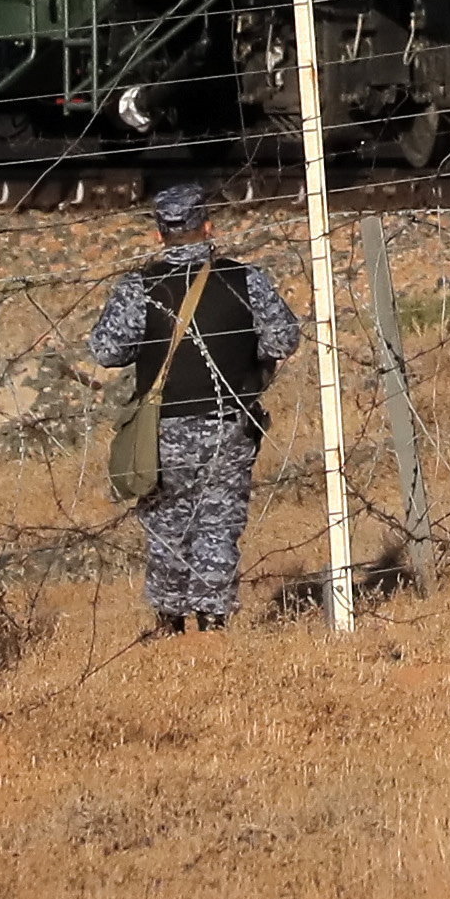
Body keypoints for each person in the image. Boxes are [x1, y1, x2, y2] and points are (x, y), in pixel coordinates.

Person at [78, 180, 297, 634]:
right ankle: (214, 620)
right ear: (209, 227)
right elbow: (284, 338)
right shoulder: (244, 280)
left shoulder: (140, 287)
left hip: (163, 429)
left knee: (165, 524)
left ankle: (169, 619)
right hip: (228, 424)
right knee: (218, 523)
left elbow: (107, 351)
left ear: (159, 234)